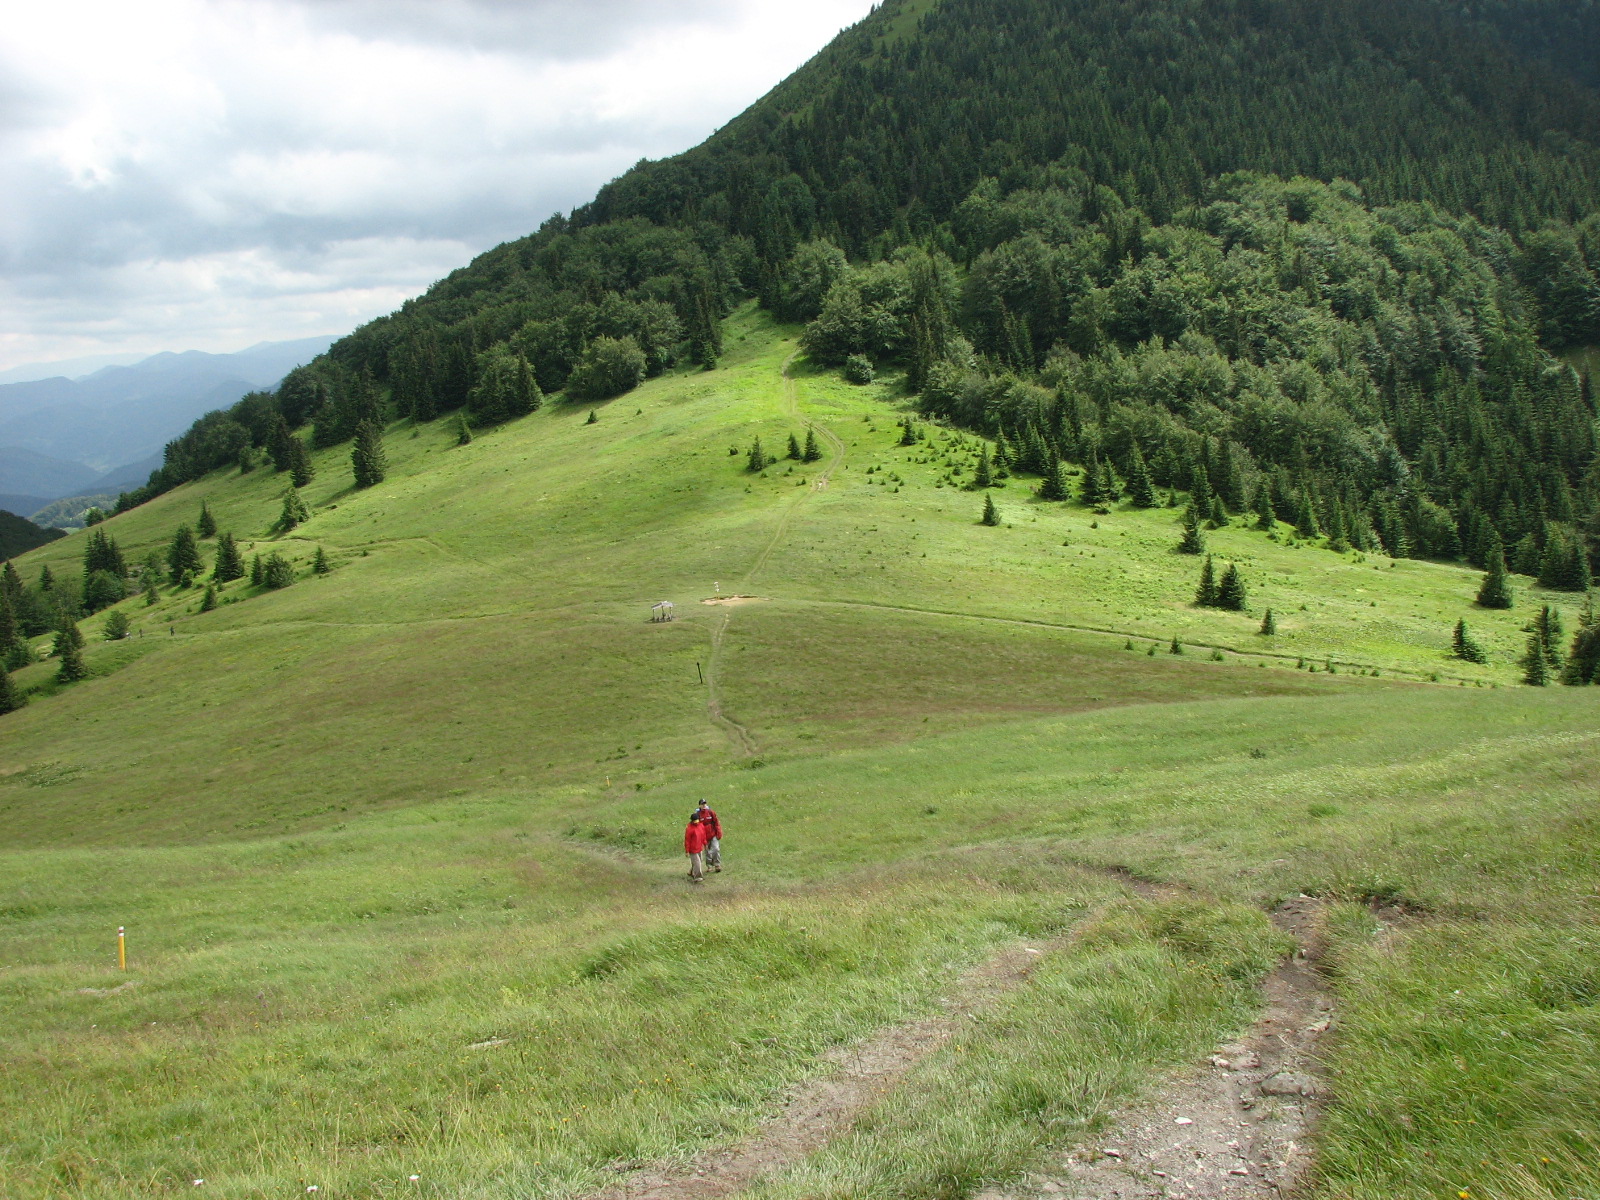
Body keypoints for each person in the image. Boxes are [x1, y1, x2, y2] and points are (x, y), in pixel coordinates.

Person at [696, 799, 723, 872]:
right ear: (699, 805)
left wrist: (719, 832)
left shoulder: (711, 812)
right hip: (704, 836)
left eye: (705, 804)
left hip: (713, 834)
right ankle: (709, 866)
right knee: (707, 851)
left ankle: (717, 864)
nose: (704, 805)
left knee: (716, 849)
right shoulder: (698, 814)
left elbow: (716, 822)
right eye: (702, 804)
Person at [684, 812, 708, 884]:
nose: (696, 822)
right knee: (697, 863)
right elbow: (687, 840)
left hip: (699, 847)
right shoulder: (690, 829)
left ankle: (691, 872)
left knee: (699, 860)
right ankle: (698, 877)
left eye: (697, 820)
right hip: (692, 849)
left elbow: (703, 835)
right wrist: (687, 851)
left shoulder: (701, 826)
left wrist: (705, 844)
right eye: (695, 821)